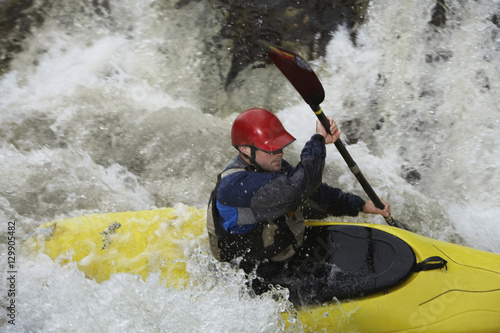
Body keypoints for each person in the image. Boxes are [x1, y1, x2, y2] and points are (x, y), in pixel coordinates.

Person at [207, 108, 391, 303]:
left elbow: (316, 192)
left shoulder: (269, 164)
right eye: (272, 148)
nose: (280, 152)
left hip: (281, 251)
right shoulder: (235, 186)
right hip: (253, 274)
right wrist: (318, 140)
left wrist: (361, 206)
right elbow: (298, 187)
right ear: (245, 150)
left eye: (280, 145)